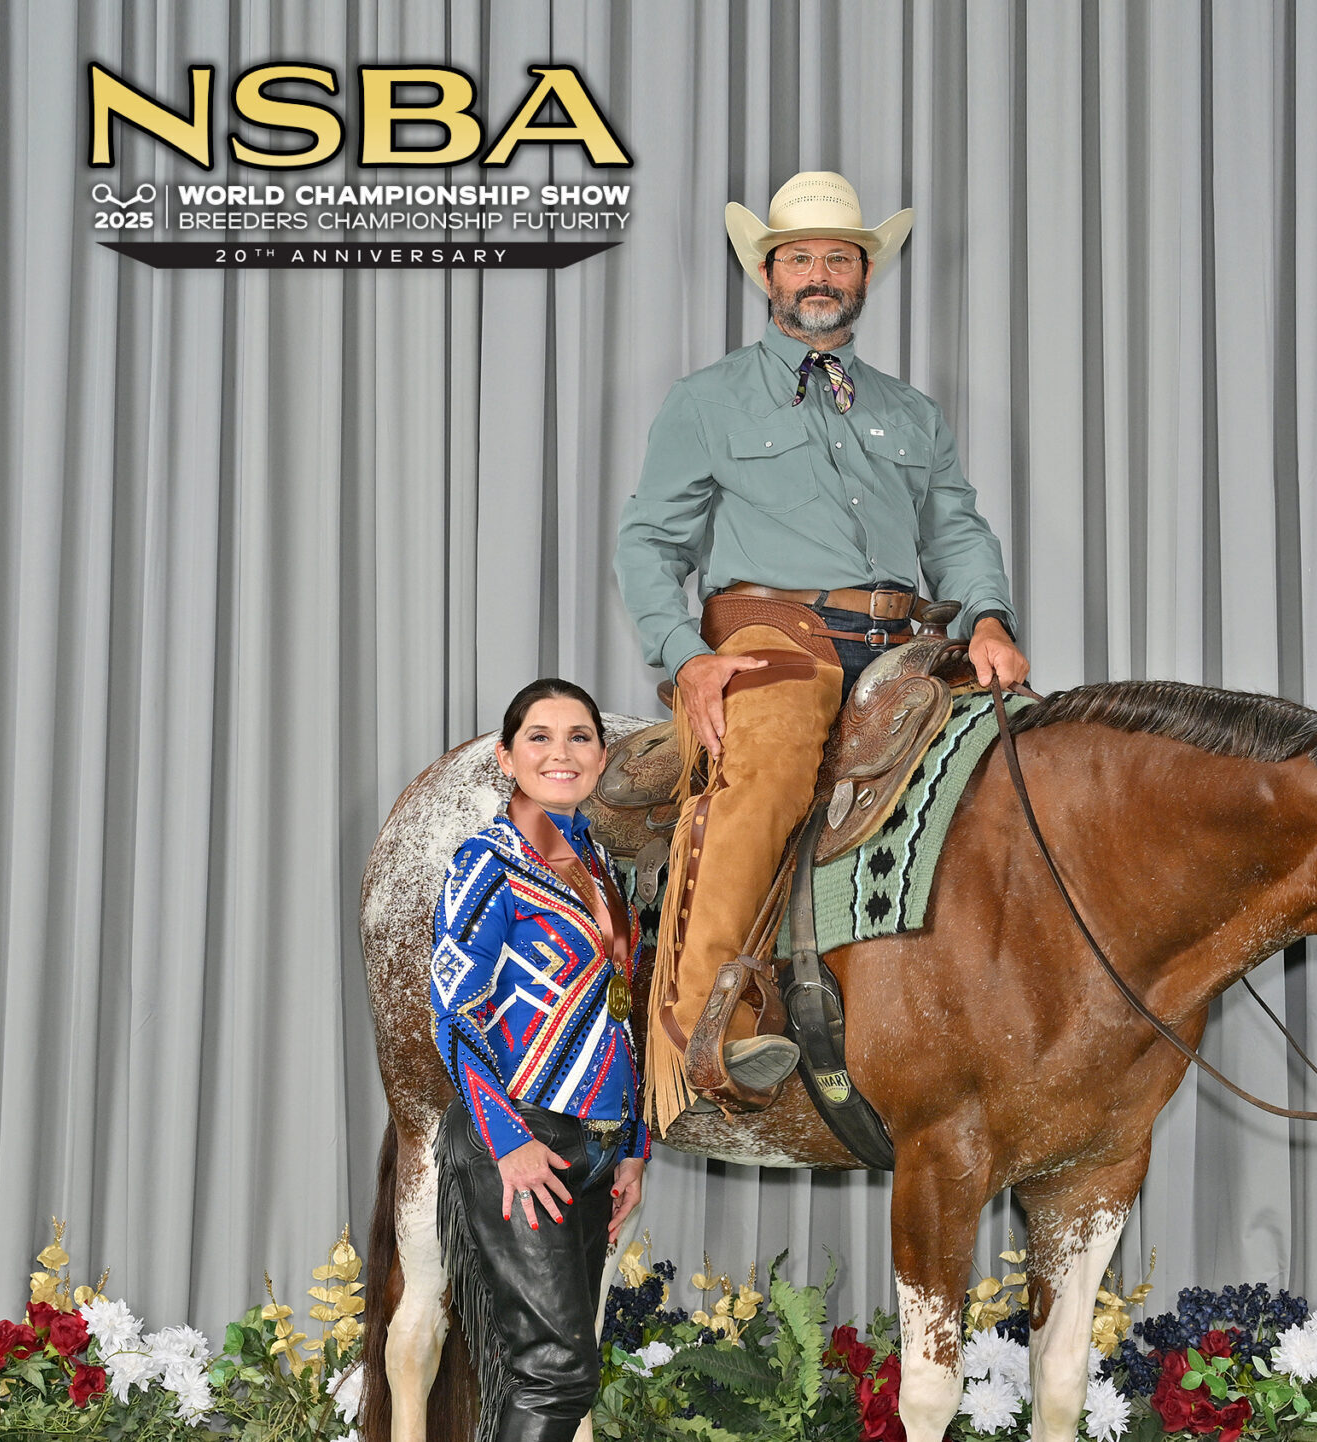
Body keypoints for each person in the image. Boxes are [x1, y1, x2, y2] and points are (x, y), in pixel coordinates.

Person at [614, 170, 1028, 1126]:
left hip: (906, 638)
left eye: (839, 256)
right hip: (773, 632)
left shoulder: (911, 411)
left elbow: (956, 530)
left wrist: (990, 618)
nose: (819, 272)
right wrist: (686, 653)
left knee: (1019, 762)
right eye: (798, 256)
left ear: (864, 273)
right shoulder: (708, 399)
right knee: (768, 769)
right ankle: (706, 1028)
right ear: (767, 274)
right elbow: (650, 541)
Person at [430, 678, 649, 1442]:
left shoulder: (600, 868)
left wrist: (631, 1149)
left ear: (600, 753)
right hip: (521, 1135)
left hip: (588, 1146)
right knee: (555, 1373)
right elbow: (454, 1014)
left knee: (560, 1370)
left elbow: (623, 1017)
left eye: (580, 736)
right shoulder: (487, 861)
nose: (562, 752)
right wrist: (509, 1142)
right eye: (540, 737)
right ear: (506, 755)